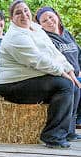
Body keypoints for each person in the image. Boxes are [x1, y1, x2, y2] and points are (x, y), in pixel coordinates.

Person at [0, 0, 80, 148]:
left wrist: (69, 69)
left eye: (26, 10)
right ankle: (53, 136)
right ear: (11, 19)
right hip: (11, 85)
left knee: (75, 85)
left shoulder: (36, 28)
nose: (23, 14)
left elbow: (53, 52)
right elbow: (38, 60)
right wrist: (61, 73)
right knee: (65, 85)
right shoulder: (15, 36)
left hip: (31, 78)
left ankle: (68, 131)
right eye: (18, 13)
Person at [36, 6, 81, 139]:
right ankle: (69, 130)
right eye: (44, 21)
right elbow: (53, 61)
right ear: (40, 25)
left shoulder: (66, 34)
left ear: (57, 16)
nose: (49, 21)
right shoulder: (45, 39)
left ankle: (71, 128)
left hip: (77, 74)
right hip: (62, 75)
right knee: (75, 88)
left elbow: (79, 55)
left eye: (51, 17)